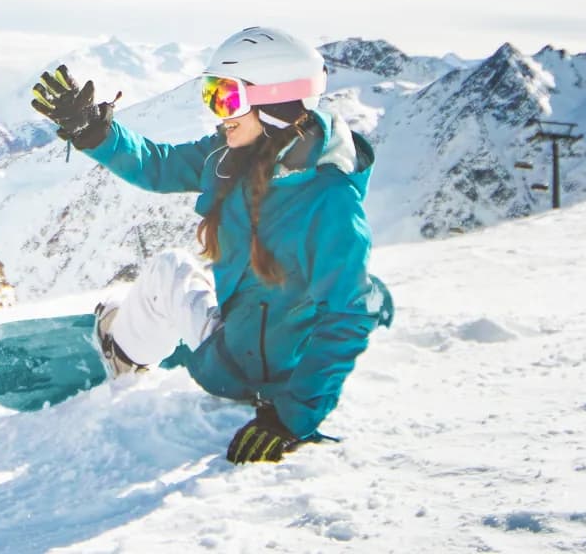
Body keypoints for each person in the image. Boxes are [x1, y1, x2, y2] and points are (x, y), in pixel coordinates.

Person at [31, 26, 388, 466]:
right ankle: (158, 330)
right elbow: (159, 167)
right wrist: (94, 133)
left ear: (275, 102)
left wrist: (291, 419)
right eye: (211, 94)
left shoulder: (327, 199)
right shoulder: (236, 153)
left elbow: (350, 314)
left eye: (227, 97)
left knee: (170, 272)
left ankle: (122, 348)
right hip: (244, 341)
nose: (218, 113)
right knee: (182, 270)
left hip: (257, 375)